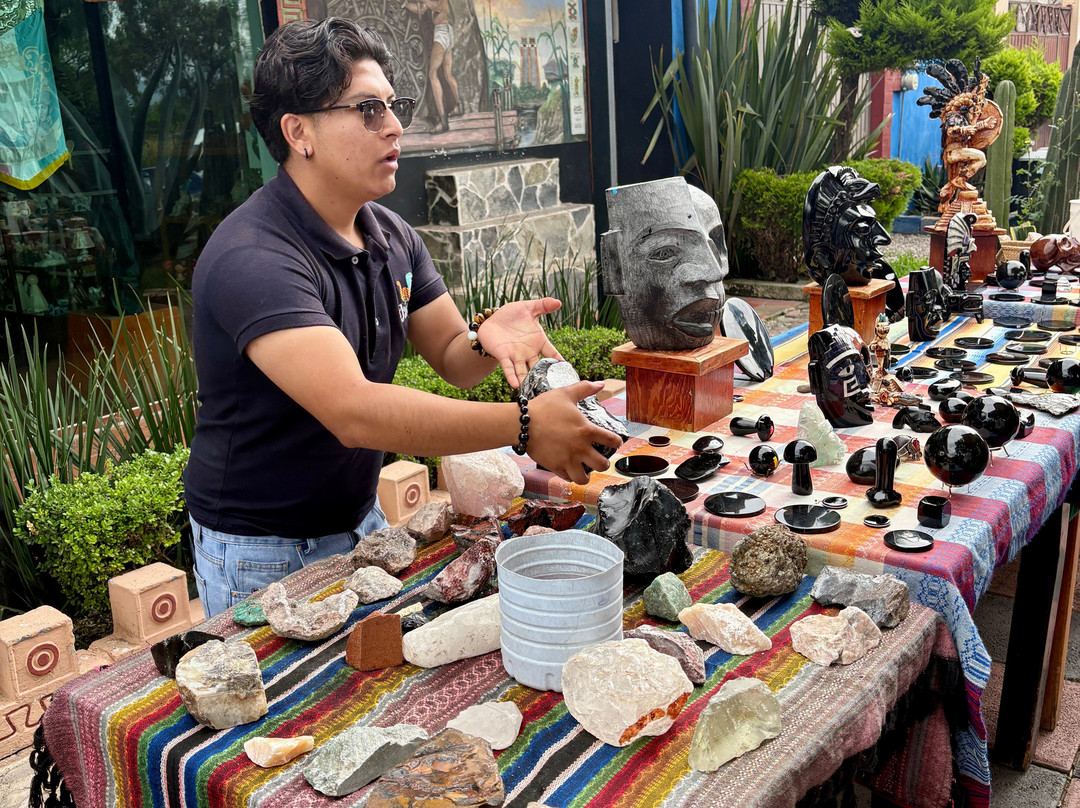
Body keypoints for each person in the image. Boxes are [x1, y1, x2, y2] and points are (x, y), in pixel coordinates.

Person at [185, 17, 622, 618]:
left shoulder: (387, 233)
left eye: (394, 105)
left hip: (359, 517)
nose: (394, 127)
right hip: (260, 548)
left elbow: (451, 357)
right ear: (298, 132)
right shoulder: (254, 259)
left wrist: (484, 337)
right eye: (368, 109)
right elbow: (355, 413)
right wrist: (523, 426)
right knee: (296, 709)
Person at [401, 0, 460, 133]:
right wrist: (406, 5)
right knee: (447, 74)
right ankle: (458, 106)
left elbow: (435, 6)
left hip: (442, 33)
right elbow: (421, 9)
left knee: (433, 74)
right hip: (447, 32)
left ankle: (443, 121)